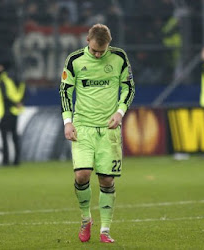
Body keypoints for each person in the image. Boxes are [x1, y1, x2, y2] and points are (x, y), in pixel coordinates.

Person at [59, 23, 135, 243]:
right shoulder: (74, 60)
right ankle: (85, 219)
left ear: (109, 44)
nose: (99, 54)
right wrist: (67, 122)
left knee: (107, 180)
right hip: (83, 127)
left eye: (103, 51)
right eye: (94, 50)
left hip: (109, 129)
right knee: (81, 175)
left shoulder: (119, 57)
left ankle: (105, 230)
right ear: (87, 41)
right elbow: (65, 91)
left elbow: (129, 87)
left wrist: (120, 113)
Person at [0, 61, 25, 166]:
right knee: (14, 136)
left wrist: (14, 104)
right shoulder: (17, 80)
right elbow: (22, 93)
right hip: (15, 111)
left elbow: (5, 96)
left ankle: (5, 160)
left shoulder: (3, 80)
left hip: (6, 111)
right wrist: (19, 103)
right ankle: (16, 160)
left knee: (5, 136)